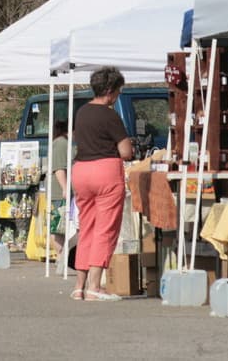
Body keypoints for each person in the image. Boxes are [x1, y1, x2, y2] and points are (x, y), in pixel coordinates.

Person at [70, 66, 132, 302]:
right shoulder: (110, 115)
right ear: (109, 91)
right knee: (105, 229)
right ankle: (95, 287)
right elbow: (126, 151)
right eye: (117, 91)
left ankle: (79, 286)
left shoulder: (82, 112)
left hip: (81, 170)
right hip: (105, 171)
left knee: (86, 227)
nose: (118, 95)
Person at [48, 121, 72, 260]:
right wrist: (65, 188)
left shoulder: (62, 142)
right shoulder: (61, 143)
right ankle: (62, 256)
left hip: (62, 191)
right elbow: (59, 168)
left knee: (60, 226)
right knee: (58, 226)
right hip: (60, 192)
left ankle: (63, 256)